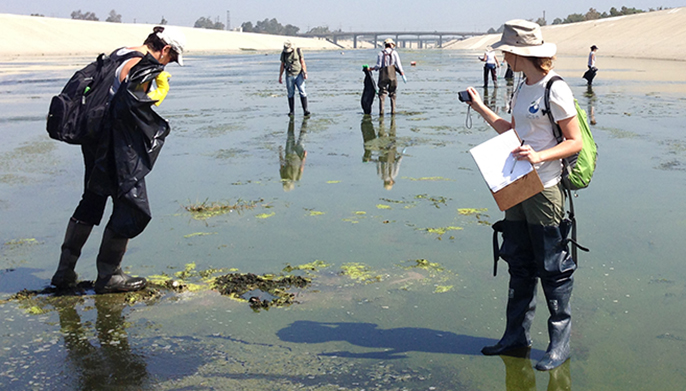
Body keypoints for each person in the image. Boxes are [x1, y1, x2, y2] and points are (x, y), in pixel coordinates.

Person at [465, 20, 582, 371]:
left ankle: (559, 344)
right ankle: (516, 337)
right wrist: (480, 108)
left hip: (545, 187)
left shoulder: (554, 88)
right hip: (517, 184)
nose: (503, 57)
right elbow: (513, 132)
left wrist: (539, 156)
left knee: (553, 265)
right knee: (517, 258)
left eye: (506, 52)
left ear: (520, 54)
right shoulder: (521, 89)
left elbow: (574, 140)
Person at [50, 26, 186, 294]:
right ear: (166, 49)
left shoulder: (120, 53)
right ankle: (109, 274)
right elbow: (131, 106)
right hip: (116, 145)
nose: (169, 64)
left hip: (93, 138)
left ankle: (64, 271)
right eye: (171, 58)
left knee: (92, 198)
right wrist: (156, 95)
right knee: (132, 206)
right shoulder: (143, 65)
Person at [370, 38, 405, 116]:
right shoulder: (394, 53)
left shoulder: (380, 53)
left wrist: (371, 68)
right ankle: (393, 112)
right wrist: (402, 73)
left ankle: (381, 112)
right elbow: (398, 65)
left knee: (382, 94)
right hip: (392, 75)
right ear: (390, 44)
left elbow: (378, 66)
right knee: (393, 93)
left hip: (383, 75)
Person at [279, 40, 310, 117]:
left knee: (302, 91)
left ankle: (305, 110)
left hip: (299, 74)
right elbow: (282, 65)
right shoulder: (283, 53)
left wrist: (305, 72)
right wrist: (280, 76)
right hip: (289, 75)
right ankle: (291, 111)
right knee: (290, 93)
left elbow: (302, 62)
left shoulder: (298, 51)